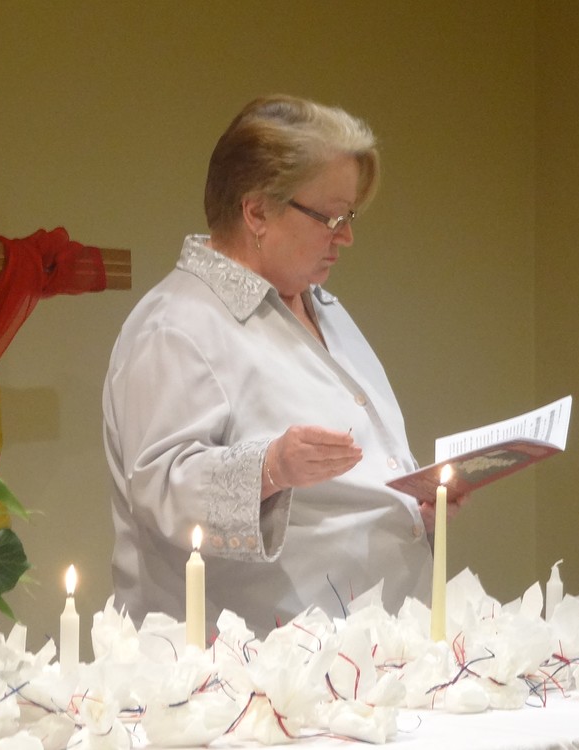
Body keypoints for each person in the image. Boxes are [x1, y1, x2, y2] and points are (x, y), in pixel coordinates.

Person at [103, 94, 457, 637]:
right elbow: (161, 488)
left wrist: (412, 502)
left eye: (349, 216)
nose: (346, 236)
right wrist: (269, 466)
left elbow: (350, 480)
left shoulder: (319, 305)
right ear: (257, 212)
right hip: (252, 665)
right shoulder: (175, 326)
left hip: (374, 644)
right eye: (331, 217)